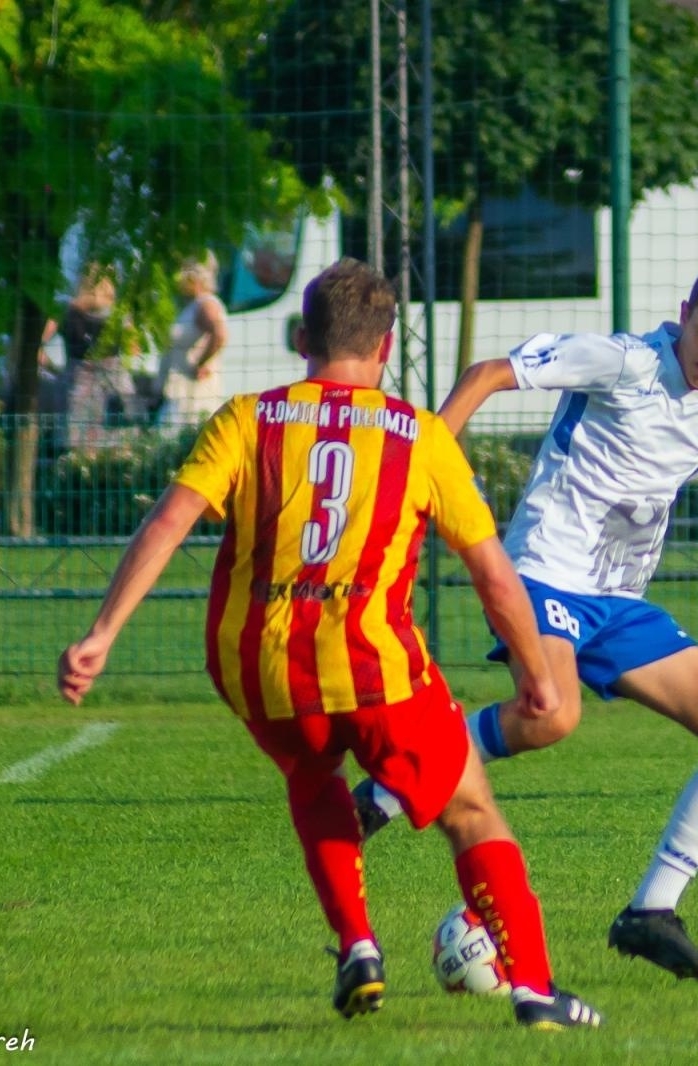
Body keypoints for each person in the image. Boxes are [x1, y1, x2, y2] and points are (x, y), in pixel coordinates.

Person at [57, 258, 601, 1029]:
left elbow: (169, 521)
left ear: (302, 338)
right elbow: (494, 576)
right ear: (384, 349)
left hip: (262, 672)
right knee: (473, 810)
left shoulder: (248, 419)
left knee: (310, 772)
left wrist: (101, 633)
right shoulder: (418, 437)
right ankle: (536, 994)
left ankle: (357, 946)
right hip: (377, 673)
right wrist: (537, 676)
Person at [354, 258, 698, 980]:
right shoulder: (622, 362)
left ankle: (650, 912)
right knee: (552, 716)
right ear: (683, 313)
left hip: (619, 600)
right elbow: (490, 373)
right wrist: (424, 462)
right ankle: (389, 785)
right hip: (545, 570)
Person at [41, 267, 143, 449]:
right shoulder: (120, 314)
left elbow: (36, 346)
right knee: (121, 451)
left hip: (77, 388)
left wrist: (57, 372)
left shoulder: (65, 310)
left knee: (76, 453)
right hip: (115, 390)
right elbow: (134, 350)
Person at [158, 253, 229, 426]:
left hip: (193, 397)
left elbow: (219, 334)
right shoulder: (191, 306)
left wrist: (201, 363)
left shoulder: (206, 304)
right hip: (179, 395)